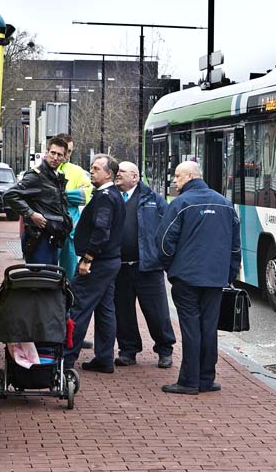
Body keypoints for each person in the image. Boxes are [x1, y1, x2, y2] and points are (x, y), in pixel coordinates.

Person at [156, 161, 240, 395]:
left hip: (187, 278)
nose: (174, 180)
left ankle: (189, 381)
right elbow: (235, 246)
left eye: (178, 176)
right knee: (209, 328)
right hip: (215, 279)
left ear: (191, 176)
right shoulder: (225, 203)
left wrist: (170, 268)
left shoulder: (181, 203)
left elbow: (164, 241)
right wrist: (229, 274)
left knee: (191, 328)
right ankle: (206, 378)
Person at [63, 154, 125, 373]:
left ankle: (67, 358)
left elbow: (101, 229)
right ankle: (105, 358)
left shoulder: (105, 197)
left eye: (97, 168)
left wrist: (88, 259)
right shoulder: (113, 194)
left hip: (98, 263)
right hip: (109, 262)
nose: (92, 171)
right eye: (92, 167)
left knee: (79, 306)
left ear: (109, 173)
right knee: (105, 309)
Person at [113, 161, 176, 369]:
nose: (117, 174)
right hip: (120, 266)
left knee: (157, 312)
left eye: (122, 171)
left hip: (148, 266)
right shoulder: (111, 197)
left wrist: (162, 256)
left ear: (135, 177)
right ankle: (128, 350)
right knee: (123, 312)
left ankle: (165, 350)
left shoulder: (153, 198)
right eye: (117, 171)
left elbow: (169, 227)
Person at [3, 137, 71, 264]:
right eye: (53, 153)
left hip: (53, 237)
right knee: (39, 278)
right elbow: (10, 195)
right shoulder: (36, 176)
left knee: (50, 279)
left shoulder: (57, 177)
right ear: (46, 153)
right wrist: (31, 214)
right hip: (39, 238)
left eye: (59, 155)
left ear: (64, 157)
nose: (55, 158)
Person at [55, 133, 92, 280]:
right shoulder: (44, 169)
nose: (66, 155)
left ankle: (68, 302)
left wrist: (58, 195)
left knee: (69, 276)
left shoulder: (77, 171)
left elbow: (86, 195)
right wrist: (71, 195)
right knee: (47, 273)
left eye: (70, 151)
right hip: (49, 230)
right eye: (65, 150)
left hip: (70, 232)